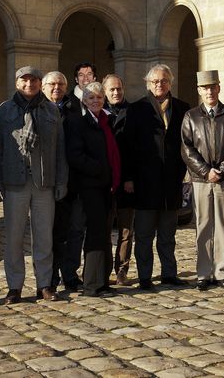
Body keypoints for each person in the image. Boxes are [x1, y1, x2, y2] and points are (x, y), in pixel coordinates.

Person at [0, 66, 68, 304]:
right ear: (17, 83)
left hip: (44, 181)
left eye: (34, 80)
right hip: (15, 182)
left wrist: (61, 180)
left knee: (43, 237)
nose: (29, 84)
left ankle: (44, 284)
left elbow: (60, 148)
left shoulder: (51, 110)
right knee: (13, 238)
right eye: (24, 80)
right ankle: (14, 287)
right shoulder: (5, 109)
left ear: (39, 83)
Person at [123, 64, 191, 290]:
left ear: (170, 83)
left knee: (168, 234)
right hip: (144, 183)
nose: (159, 85)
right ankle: (145, 276)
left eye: (163, 81)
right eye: (155, 82)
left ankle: (169, 274)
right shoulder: (136, 109)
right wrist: (129, 178)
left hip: (171, 182)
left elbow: (186, 145)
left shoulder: (183, 108)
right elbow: (128, 147)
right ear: (148, 84)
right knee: (143, 235)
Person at [181, 70, 224, 291]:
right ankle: (203, 273)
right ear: (199, 90)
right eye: (204, 88)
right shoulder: (191, 116)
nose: (209, 91)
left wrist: (223, 170)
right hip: (201, 179)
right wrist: (206, 171)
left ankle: (219, 271)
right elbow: (187, 148)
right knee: (203, 225)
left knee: (222, 224)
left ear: (218, 87)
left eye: (212, 87)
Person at [65, 82, 120, 297]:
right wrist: (99, 169)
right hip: (90, 186)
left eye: (98, 97)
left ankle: (103, 281)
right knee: (95, 235)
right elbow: (75, 155)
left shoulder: (106, 121)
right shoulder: (78, 123)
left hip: (107, 187)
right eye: (91, 98)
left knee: (104, 234)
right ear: (83, 101)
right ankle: (91, 285)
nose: (95, 100)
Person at [63, 62, 97, 290]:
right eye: (81, 75)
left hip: (95, 182)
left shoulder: (99, 102)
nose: (85, 78)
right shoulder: (67, 104)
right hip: (74, 179)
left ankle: (93, 273)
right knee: (74, 230)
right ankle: (69, 274)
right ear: (76, 79)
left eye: (90, 74)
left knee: (92, 229)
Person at [102, 73, 134, 286]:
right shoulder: (97, 113)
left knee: (125, 230)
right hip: (103, 182)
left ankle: (121, 270)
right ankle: (103, 271)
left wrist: (130, 178)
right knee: (103, 229)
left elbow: (135, 150)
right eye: (112, 89)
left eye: (119, 89)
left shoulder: (133, 112)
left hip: (126, 182)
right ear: (104, 92)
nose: (116, 92)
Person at [42, 71, 72, 291]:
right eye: (52, 84)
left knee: (66, 233)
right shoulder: (37, 109)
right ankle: (48, 279)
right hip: (44, 182)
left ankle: (68, 275)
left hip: (69, 181)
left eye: (61, 84)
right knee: (46, 234)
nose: (56, 88)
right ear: (43, 87)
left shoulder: (74, 109)